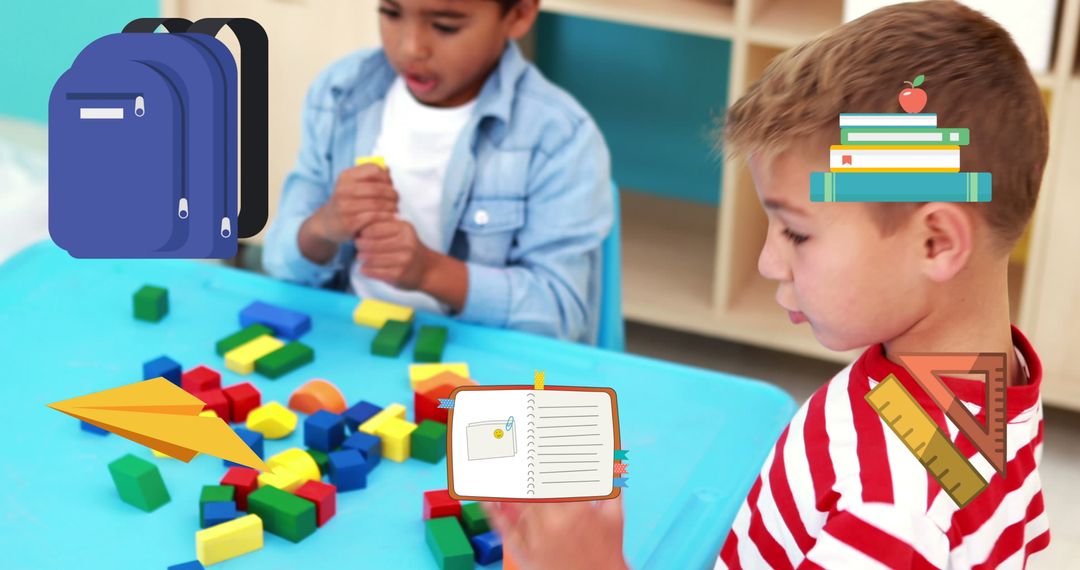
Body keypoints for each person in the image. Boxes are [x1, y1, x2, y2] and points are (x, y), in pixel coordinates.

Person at [485, 2, 1050, 568]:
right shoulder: (983, 394)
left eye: (797, 233)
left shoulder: (896, 511)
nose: (767, 262)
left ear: (936, 243)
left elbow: (918, 507)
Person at [263, 0, 614, 344]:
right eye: (391, 12)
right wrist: (323, 227)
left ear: (519, 14)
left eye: (445, 26)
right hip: (350, 340)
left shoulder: (559, 136)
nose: (410, 48)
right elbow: (279, 261)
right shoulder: (340, 91)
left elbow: (559, 317)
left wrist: (430, 272)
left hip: (474, 362)